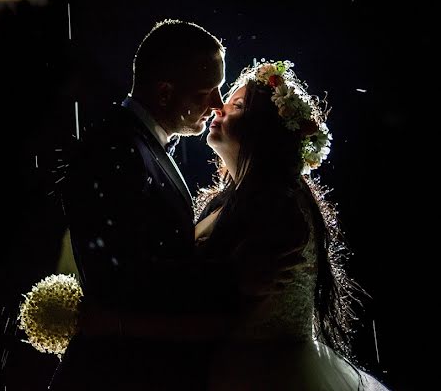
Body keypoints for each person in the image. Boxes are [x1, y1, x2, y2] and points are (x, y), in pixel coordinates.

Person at [51, 19, 227, 390]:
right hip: (120, 373)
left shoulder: (133, 141)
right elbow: (131, 280)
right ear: (164, 93)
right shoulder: (117, 151)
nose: (217, 105)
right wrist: (231, 280)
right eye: (206, 92)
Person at [196, 59, 390, 390]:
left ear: (263, 129)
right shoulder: (232, 197)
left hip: (264, 374)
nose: (219, 109)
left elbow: (228, 301)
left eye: (238, 105)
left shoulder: (278, 204)